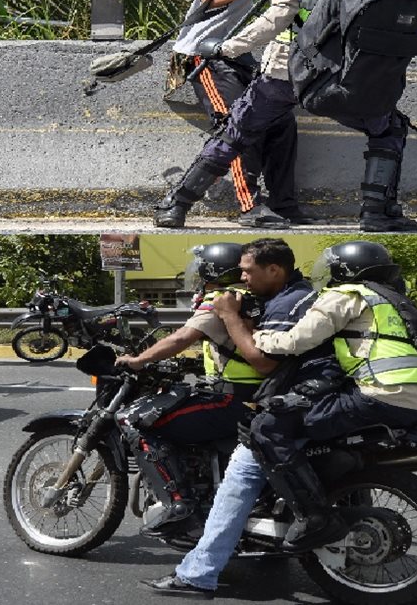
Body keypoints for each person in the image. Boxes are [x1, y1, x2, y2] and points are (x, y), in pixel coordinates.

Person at [206, 0, 417, 232]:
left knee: (236, 131)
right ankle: (376, 212)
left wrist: (228, 48)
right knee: (388, 129)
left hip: (287, 73)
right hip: (348, 79)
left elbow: (273, 21)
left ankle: (176, 204)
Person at [210, 240, 417, 551]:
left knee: (269, 427)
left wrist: (256, 333)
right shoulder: (393, 300)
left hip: (378, 395)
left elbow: (295, 341)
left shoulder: (347, 295)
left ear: (343, 270)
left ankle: (314, 516)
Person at [143, 238, 338, 598]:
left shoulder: (279, 304)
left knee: (239, 478)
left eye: (248, 270)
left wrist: (139, 360)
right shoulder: (295, 295)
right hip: (312, 394)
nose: (243, 277)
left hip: (288, 399)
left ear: (274, 270)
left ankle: (198, 572)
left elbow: (261, 361)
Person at [159, 0, 307, 229]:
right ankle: (248, 206)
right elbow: (207, 1)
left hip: (237, 56)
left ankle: (284, 203)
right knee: (236, 126)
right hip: (200, 56)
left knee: (282, 125)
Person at [112, 242, 264, 530]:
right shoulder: (254, 297)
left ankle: (178, 502)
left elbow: (181, 338)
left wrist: (139, 360)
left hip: (233, 399)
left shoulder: (221, 299)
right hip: (258, 394)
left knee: (137, 422)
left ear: (213, 271)